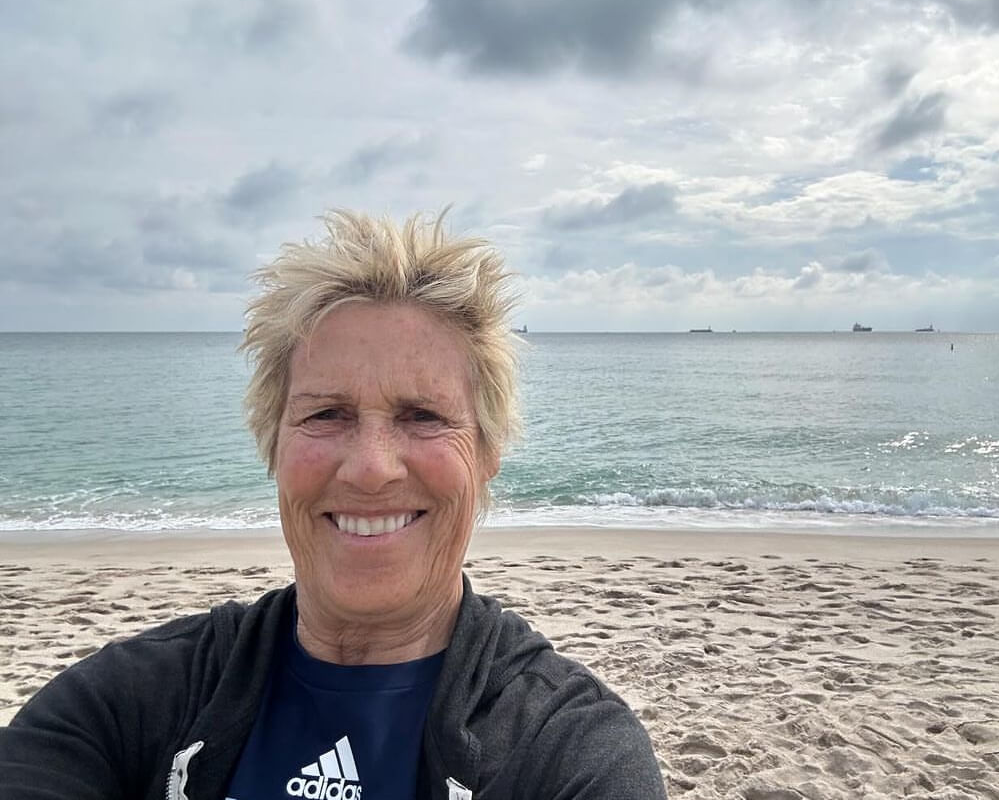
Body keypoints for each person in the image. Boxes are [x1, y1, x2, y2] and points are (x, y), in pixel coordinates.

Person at [0, 211, 666, 800]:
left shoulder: (568, 749)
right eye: (325, 413)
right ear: (273, 444)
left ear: (487, 453)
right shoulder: (127, 701)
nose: (371, 468)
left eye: (423, 415)